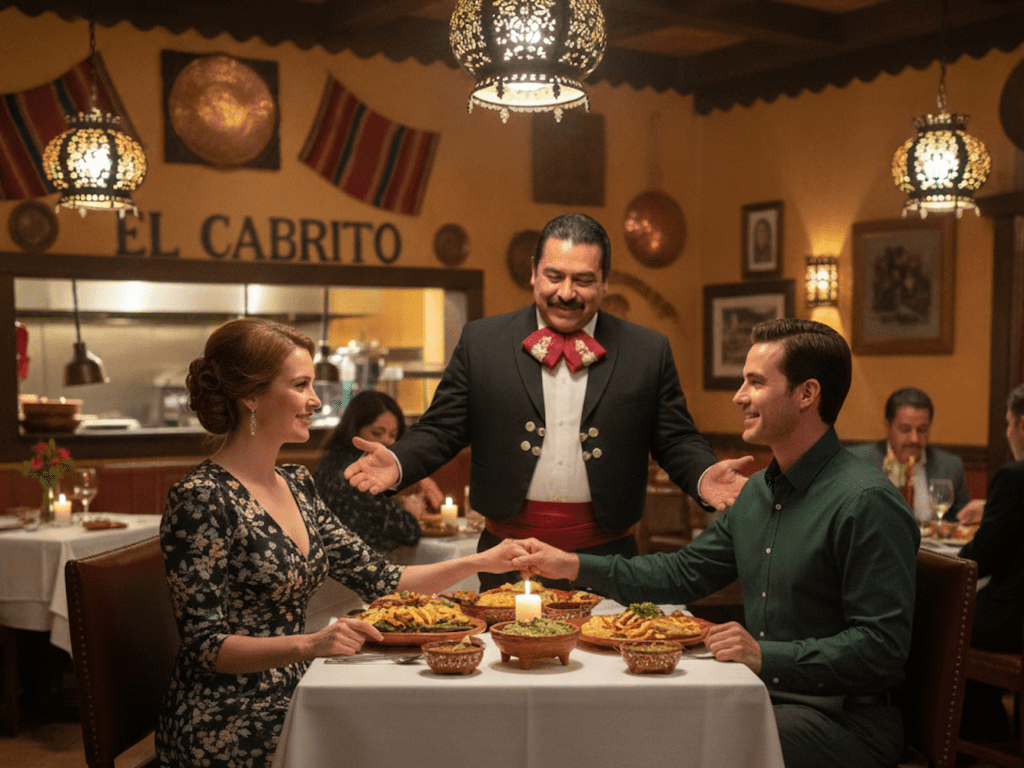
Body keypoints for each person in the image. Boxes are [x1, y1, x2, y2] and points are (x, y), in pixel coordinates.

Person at [514, 318, 920, 768]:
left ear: (807, 394)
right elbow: (681, 573)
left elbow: (881, 647)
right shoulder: (759, 493)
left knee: (679, 746)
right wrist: (570, 564)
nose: (739, 396)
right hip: (761, 696)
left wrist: (765, 655)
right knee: (632, 721)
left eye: (755, 382)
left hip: (843, 721)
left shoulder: (867, 502)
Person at [156, 318, 525, 768]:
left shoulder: (296, 484)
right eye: (300, 385)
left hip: (301, 689)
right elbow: (205, 646)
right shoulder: (200, 497)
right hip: (229, 719)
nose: (315, 400)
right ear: (249, 395)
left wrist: (485, 557)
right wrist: (311, 644)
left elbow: (384, 579)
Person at [345, 212, 751, 590]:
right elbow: (441, 429)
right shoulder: (482, 342)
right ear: (533, 274)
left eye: (584, 280)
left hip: (607, 559)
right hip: (506, 557)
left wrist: (704, 473)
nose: (566, 293)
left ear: (605, 282)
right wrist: (398, 461)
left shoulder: (648, 350)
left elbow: (676, 439)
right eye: (554, 276)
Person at [957, 383, 1024, 742]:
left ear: (1022, 425)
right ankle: (989, 722)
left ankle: (962, 735)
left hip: (1013, 623)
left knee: (938, 614)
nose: (1008, 432)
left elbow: (979, 560)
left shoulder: (1015, 477)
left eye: (1009, 423)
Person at [314, 390, 443, 552]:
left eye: (393, 435)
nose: (387, 442)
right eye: (377, 433)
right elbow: (407, 531)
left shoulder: (333, 459)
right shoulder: (355, 469)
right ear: (354, 430)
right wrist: (409, 510)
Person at [847, 386, 978, 522]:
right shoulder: (858, 461)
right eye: (905, 429)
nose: (914, 439)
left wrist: (973, 514)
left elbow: (961, 520)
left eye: (922, 430)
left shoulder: (951, 466)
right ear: (888, 427)